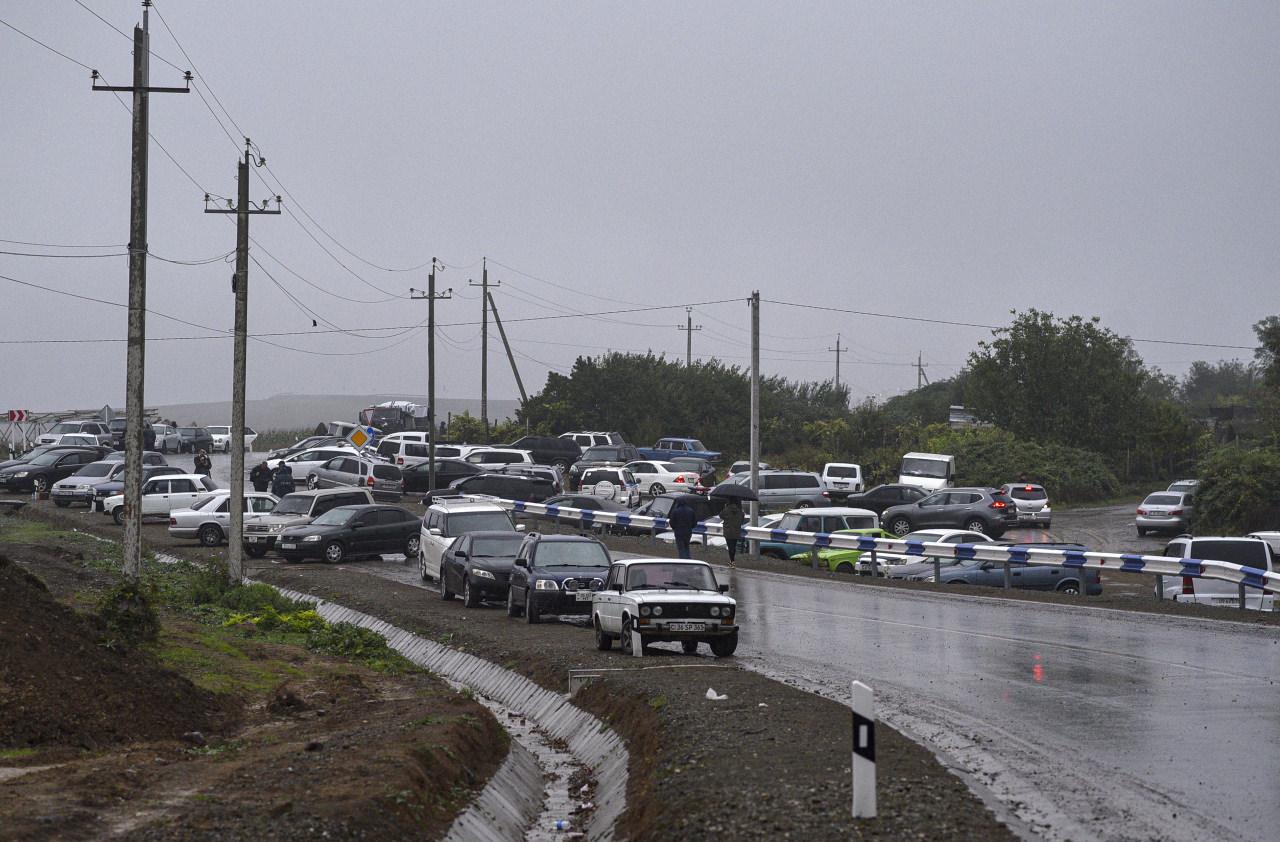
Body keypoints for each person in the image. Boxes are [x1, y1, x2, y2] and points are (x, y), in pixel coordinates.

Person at [720, 499, 744, 566]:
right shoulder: (740, 511)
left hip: (728, 531)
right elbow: (742, 520)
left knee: (730, 546)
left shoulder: (726, 510)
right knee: (733, 546)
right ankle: (732, 561)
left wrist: (724, 507)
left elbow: (720, 515)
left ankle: (732, 561)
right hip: (736, 531)